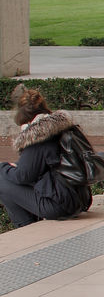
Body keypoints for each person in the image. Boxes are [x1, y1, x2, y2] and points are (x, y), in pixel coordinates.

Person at [0, 86, 93, 228]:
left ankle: (26, 228)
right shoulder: (64, 127)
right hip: (80, 198)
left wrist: (7, 168)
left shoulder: (37, 136)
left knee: (1, 176)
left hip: (60, 204)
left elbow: (23, 176)